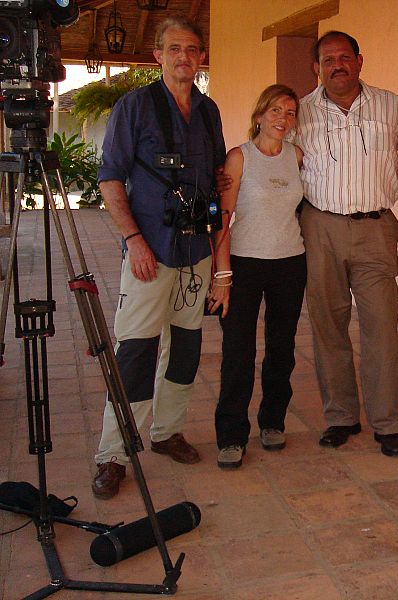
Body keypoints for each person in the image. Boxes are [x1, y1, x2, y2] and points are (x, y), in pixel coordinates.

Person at [91, 17, 226, 499]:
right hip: (150, 250)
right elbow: (111, 178)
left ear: (200, 56)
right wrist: (133, 239)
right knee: (136, 353)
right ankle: (113, 453)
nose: (183, 57)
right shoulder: (135, 107)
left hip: (196, 251)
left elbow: (217, 180)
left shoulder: (209, 112)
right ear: (157, 56)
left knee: (185, 351)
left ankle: (166, 432)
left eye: (192, 49)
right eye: (173, 49)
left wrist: (218, 255)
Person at [292, 31, 398, 457]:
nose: (336, 65)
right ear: (315, 67)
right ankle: (340, 415)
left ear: (360, 60)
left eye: (345, 57)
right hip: (319, 227)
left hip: (375, 229)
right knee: (329, 326)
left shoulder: (393, 105)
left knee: (381, 329)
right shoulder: (300, 112)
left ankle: (386, 422)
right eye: (327, 59)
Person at [208, 85, 306, 469]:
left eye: (291, 112)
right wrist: (223, 275)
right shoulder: (239, 158)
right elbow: (224, 221)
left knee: (282, 349)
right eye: (276, 110)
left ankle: (273, 421)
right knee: (238, 351)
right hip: (244, 264)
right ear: (261, 115)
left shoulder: (297, 156)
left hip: (289, 262)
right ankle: (231, 434)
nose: (283, 119)